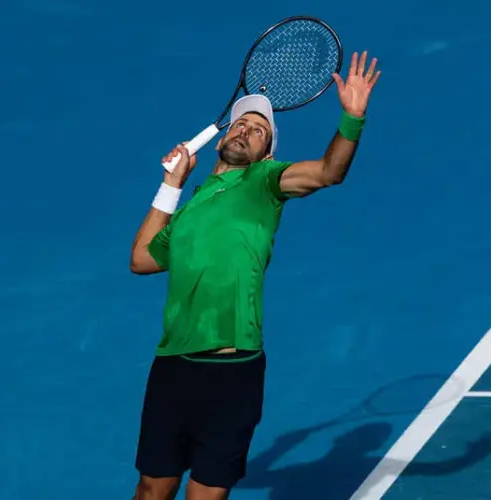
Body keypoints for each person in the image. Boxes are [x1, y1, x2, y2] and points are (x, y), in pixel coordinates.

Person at [128, 50, 381, 500]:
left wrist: (352, 120)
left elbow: (329, 173)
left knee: (204, 496)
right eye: (241, 123)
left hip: (232, 371)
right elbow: (143, 259)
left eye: (259, 130)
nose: (246, 129)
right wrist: (172, 184)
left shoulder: (265, 184)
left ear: (268, 151)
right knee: (152, 488)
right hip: (172, 367)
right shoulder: (188, 212)